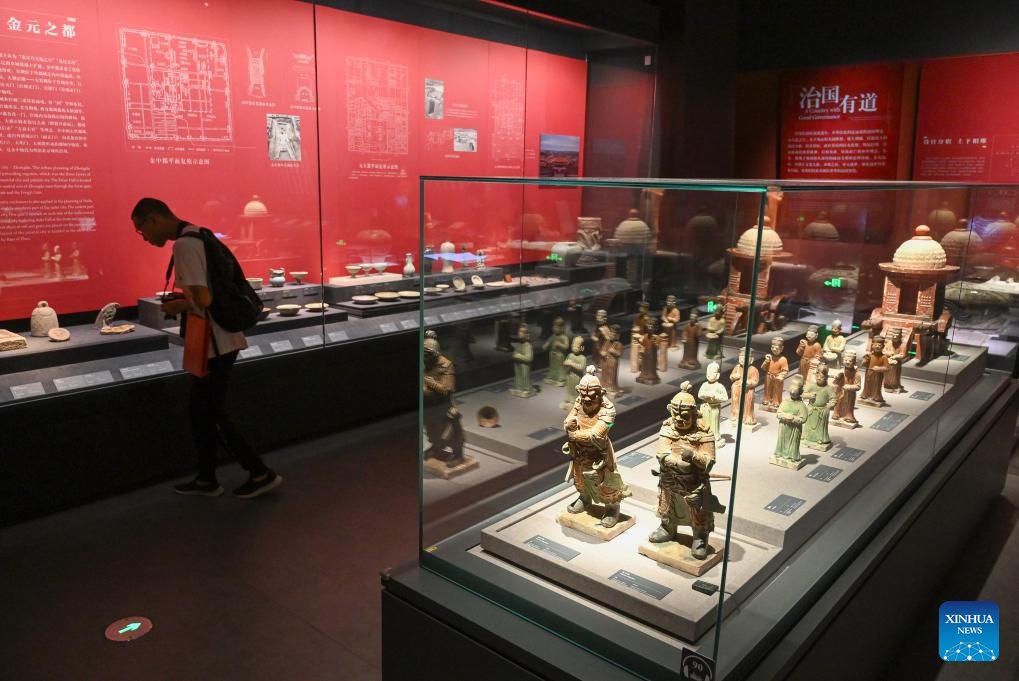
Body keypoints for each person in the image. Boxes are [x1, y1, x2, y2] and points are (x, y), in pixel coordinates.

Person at [132, 198, 282, 499]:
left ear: (153, 219)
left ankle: (259, 472)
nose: (144, 238)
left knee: (211, 411)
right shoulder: (197, 233)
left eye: (141, 230)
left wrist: (178, 305)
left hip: (215, 341)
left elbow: (203, 299)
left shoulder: (184, 245)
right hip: (222, 337)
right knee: (202, 411)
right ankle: (207, 477)